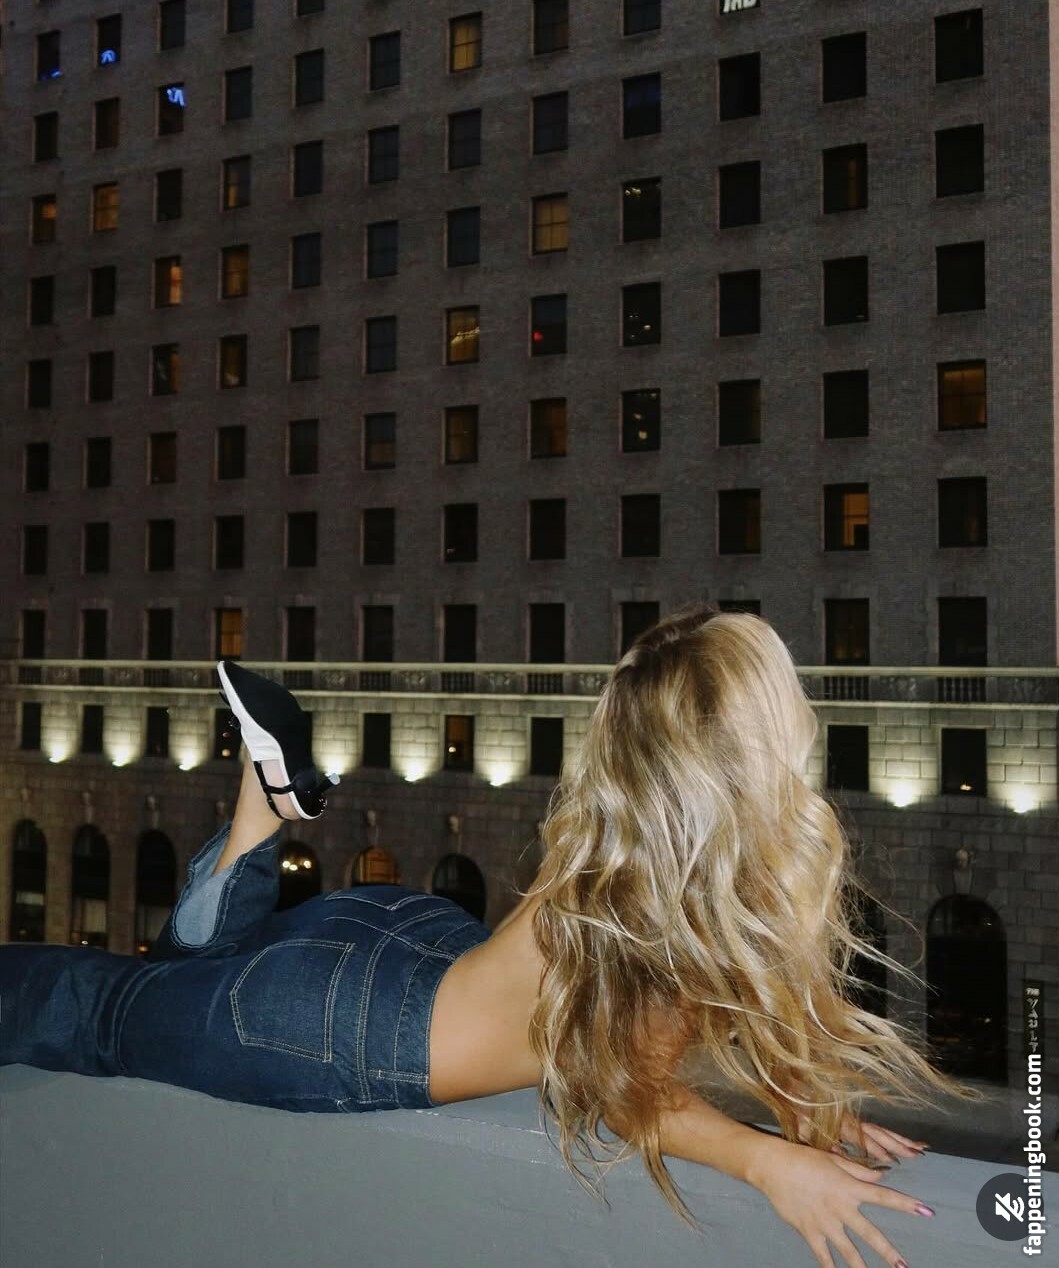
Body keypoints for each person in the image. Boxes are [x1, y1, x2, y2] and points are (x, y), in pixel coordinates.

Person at [0, 604, 990, 1268]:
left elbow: (689, 1014)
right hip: (353, 1021)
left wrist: (805, 1106)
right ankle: (262, 810)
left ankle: (267, 805)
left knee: (179, 977)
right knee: (103, 1010)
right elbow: (629, 1096)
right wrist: (770, 1161)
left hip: (400, 942)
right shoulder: (676, 897)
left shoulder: (622, 835)